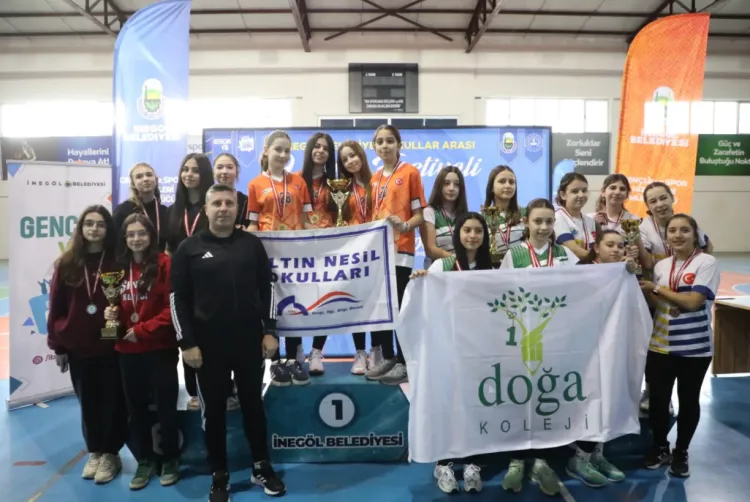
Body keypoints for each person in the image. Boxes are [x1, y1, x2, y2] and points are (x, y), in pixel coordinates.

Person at [171, 184, 285, 500]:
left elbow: (268, 288)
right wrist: (186, 343)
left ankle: (261, 467)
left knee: (253, 407)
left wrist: (270, 330)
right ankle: (219, 474)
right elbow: (177, 299)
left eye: (229, 203)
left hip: (249, 343)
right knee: (214, 414)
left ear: (237, 209)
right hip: (207, 349)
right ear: (206, 209)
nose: (223, 208)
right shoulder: (188, 249)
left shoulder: (251, 244)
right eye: (217, 203)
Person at [499, 198, 577, 496]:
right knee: (519, 396)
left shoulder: (565, 255)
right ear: (526, 223)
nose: (544, 227)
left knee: (547, 394)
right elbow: (500, 292)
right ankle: (517, 460)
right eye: (538, 221)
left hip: (556, 337)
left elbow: (583, 287)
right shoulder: (514, 254)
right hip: (522, 337)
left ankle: (542, 460)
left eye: (549, 221)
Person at [411, 212, 491, 494]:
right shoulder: (442, 265)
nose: (472, 236)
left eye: (478, 231)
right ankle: (443, 464)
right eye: (467, 230)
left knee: (477, 405)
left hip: (479, 348)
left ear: (485, 236)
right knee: (446, 404)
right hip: (447, 347)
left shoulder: (491, 269)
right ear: (458, 233)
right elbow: (423, 300)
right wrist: (421, 280)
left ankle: (472, 464)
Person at [46, 205, 127, 485]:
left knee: (112, 400)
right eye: (89, 223)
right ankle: (95, 451)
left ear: (108, 229)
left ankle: (111, 453)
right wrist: (58, 345)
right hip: (78, 347)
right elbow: (56, 306)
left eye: (100, 224)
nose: (94, 229)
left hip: (110, 345)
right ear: (81, 228)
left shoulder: (118, 262)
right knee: (88, 402)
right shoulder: (67, 263)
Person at [638, 214, 718, 479]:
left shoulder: (706, 262)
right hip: (660, 344)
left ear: (695, 235)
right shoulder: (662, 266)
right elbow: (656, 301)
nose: (678, 235)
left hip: (694, 347)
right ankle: (660, 447)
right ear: (667, 236)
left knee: (688, 400)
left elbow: (694, 302)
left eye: (684, 230)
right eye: (672, 230)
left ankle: (681, 451)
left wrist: (657, 290)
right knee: (658, 401)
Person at [105, 213, 180, 490]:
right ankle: (145, 460)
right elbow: (112, 304)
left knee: (165, 407)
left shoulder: (164, 263)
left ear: (151, 236)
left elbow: (171, 308)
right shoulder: (117, 268)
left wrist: (142, 329)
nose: (136, 239)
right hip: (127, 350)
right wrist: (110, 315)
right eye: (131, 234)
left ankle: (170, 458)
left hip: (159, 348)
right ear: (124, 238)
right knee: (135, 410)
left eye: (142, 233)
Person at [565, 229, 633, 487]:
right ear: (596, 247)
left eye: (620, 246)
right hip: (585, 348)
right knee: (590, 400)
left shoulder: (623, 274)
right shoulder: (581, 273)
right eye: (610, 245)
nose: (616, 250)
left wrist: (630, 273)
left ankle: (597, 454)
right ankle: (579, 459)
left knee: (607, 399)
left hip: (612, 345)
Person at [247, 129, 314, 387]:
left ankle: (296, 359)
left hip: (295, 257)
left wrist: (325, 239)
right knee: (270, 305)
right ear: (266, 150)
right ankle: (275, 362)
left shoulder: (299, 182)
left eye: (287, 150)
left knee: (294, 305)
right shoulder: (255, 184)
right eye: (278, 149)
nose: (283, 155)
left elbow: (306, 221)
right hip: (268, 256)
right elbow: (254, 223)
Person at [638, 181, 711, 414]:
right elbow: (647, 263)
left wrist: (698, 265)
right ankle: (653, 391)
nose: (659, 204)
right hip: (658, 289)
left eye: (663, 198)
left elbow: (707, 247)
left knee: (686, 347)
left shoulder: (687, 221)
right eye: (653, 201)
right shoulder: (644, 228)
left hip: (685, 290)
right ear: (648, 206)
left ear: (672, 198)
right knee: (656, 349)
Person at [365, 125, 427, 386]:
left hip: (401, 250)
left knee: (400, 307)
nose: (385, 146)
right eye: (379, 142)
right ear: (374, 147)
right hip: (379, 252)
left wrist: (404, 226)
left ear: (399, 144)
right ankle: (388, 357)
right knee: (381, 307)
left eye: (390, 141)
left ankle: (404, 361)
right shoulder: (374, 178)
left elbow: (420, 215)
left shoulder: (410, 173)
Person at [333, 140, 377, 375]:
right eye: (344, 159)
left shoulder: (377, 181)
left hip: (376, 251)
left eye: (353, 155)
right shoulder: (341, 188)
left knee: (378, 302)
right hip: (353, 254)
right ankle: (360, 353)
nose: (350, 161)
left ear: (361, 155)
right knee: (356, 302)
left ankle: (378, 352)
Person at [302, 133, 338, 376]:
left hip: (328, 248)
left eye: (326, 148)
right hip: (301, 248)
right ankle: (294, 351)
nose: (321, 151)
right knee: (296, 300)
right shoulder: (295, 180)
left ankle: (316, 351)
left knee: (326, 301)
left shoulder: (336, 183)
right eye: (316, 146)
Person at [420, 166, 468, 269]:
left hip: (462, 270)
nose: (451, 188)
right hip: (438, 270)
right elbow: (430, 249)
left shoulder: (465, 215)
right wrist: (456, 259)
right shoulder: (429, 212)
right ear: (439, 186)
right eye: (446, 183)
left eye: (456, 184)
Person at [113, 162, 169, 251]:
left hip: (159, 258)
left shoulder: (165, 211)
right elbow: (115, 243)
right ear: (133, 184)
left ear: (156, 179)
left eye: (149, 175)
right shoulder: (122, 210)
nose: (145, 179)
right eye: (139, 177)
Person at [482, 165, 525, 267]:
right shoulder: (482, 216)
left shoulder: (526, 213)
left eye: (512, 182)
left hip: (521, 267)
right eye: (502, 181)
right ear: (491, 188)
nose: (508, 185)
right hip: (492, 269)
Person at [554, 172, 597, 259]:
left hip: (589, 266)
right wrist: (598, 260)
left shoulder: (590, 221)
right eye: (575, 191)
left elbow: (594, 249)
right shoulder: (557, 218)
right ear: (563, 195)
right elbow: (573, 250)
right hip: (567, 267)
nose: (581, 195)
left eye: (584, 190)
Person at [213, 152, 250, 228]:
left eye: (229, 167)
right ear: (213, 172)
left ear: (237, 172)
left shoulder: (246, 201)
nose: (224, 171)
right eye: (219, 167)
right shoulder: (207, 199)